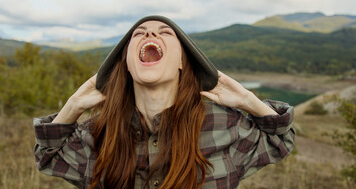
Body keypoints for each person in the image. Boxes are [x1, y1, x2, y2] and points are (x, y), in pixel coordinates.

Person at [34, 15, 295, 189]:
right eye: (139, 34)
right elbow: (48, 155)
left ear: (182, 61)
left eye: (165, 33)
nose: (150, 35)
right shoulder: (97, 133)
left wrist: (248, 100)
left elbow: (280, 138)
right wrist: (73, 106)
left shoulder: (226, 124)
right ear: (126, 64)